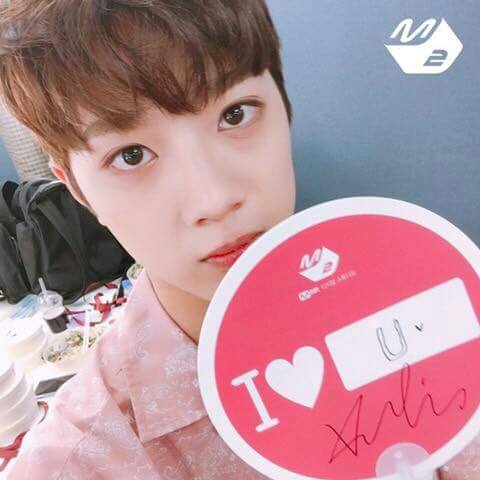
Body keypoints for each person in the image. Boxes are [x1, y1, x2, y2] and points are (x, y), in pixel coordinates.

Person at [0, 1, 476, 479]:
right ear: (78, 191)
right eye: (131, 155)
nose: (214, 199)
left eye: (235, 114)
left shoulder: (436, 295)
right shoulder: (82, 459)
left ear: (283, 104)